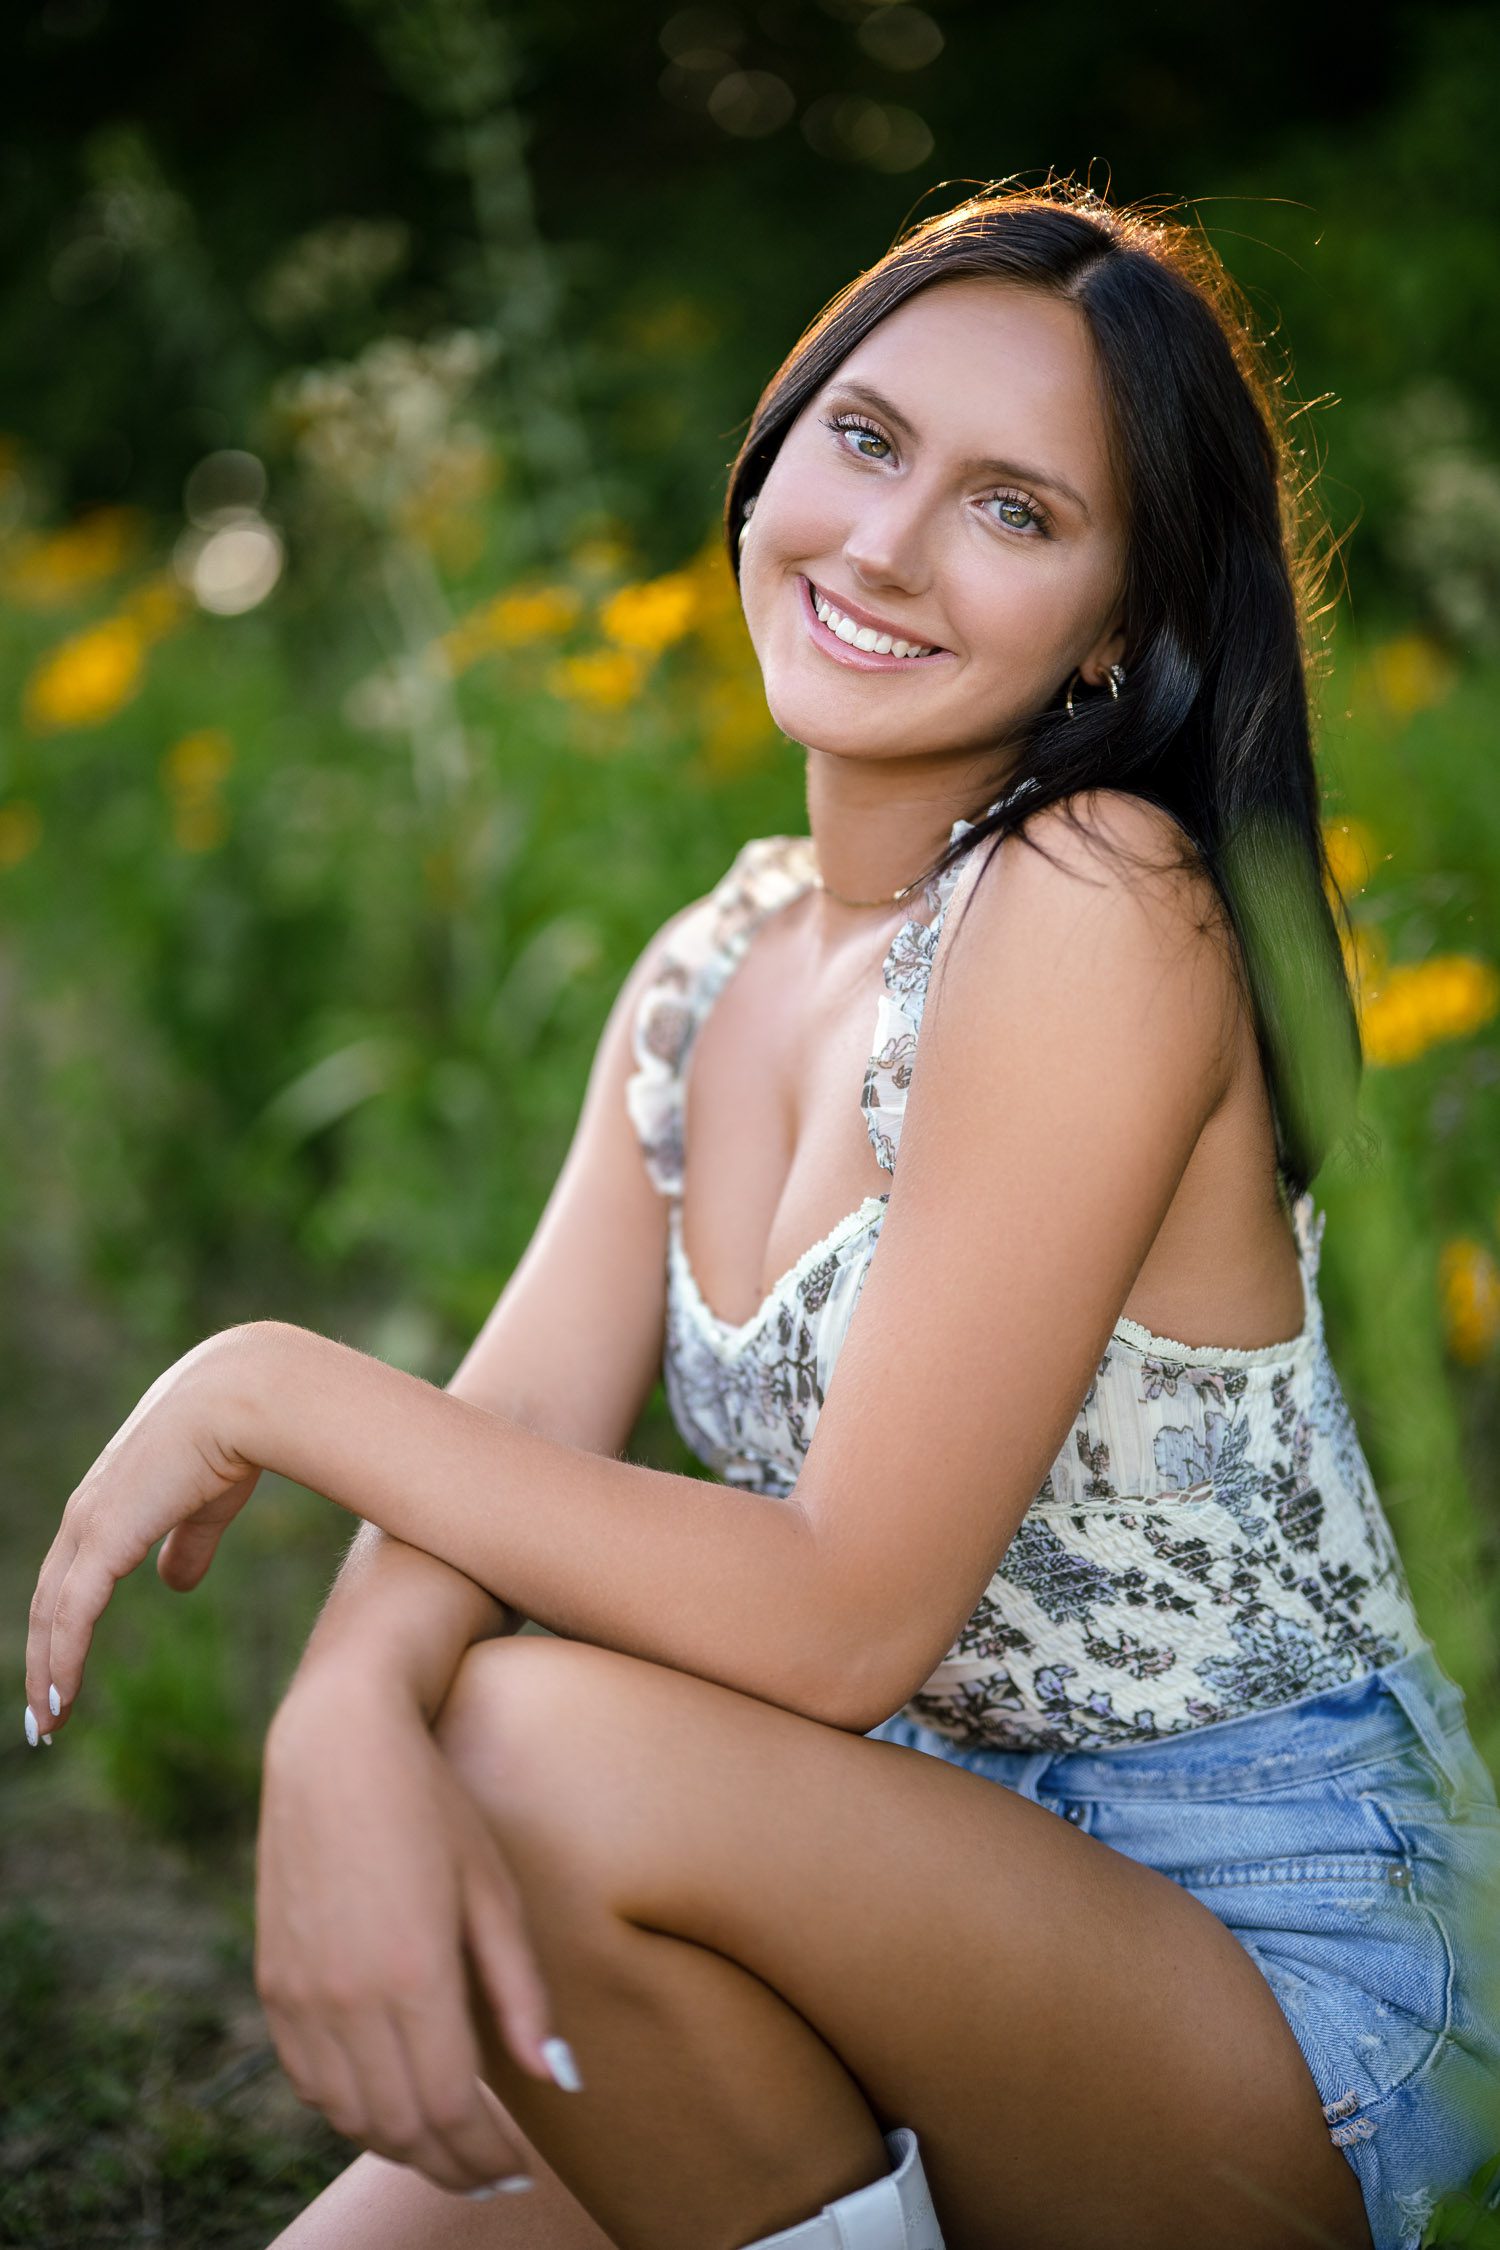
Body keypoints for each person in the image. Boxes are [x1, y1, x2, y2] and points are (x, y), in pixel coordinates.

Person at [23, 178, 1500, 2250]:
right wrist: (349, 1701)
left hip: (1250, 1948)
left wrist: (265, 1382)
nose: (885, 543)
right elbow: (522, 1421)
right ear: (780, 440)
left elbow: (837, 1617)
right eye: (870, 439)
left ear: (1120, 628)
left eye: (1017, 509)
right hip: (884, 1876)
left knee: (532, 1743)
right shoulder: (707, 966)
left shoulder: (1101, 904)